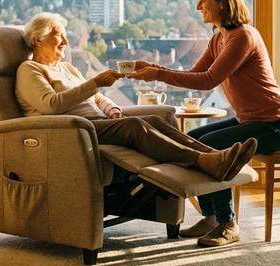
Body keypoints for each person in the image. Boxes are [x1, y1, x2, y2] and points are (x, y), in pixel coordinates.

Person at [130, 0, 280, 247]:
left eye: (203, 1)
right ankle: (211, 217)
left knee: (211, 147)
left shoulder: (243, 37)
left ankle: (228, 224)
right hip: (249, 120)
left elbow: (207, 81)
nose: (198, 7)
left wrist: (158, 73)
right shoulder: (219, 38)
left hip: (274, 126)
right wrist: (154, 70)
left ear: (223, 2)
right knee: (194, 141)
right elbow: (196, 74)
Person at [14, 12, 256, 184]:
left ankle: (214, 157)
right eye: (59, 36)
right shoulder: (30, 70)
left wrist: (113, 110)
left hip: (97, 123)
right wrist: (95, 82)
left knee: (155, 120)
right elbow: (51, 104)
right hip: (70, 131)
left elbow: (97, 98)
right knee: (134, 126)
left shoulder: (68, 69)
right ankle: (204, 161)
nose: (66, 42)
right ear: (38, 39)